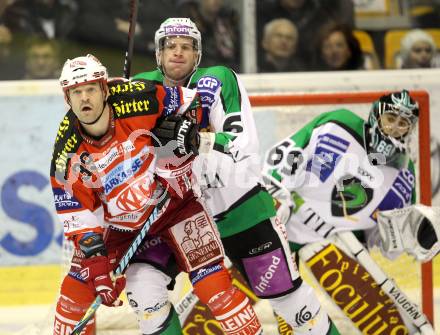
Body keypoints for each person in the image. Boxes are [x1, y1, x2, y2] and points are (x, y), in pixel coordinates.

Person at [134, 17, 340, 335]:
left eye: (186, 47)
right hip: (175, 217)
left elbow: (242, 148)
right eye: (170, 46)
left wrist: (196, 140)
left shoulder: (216, 80)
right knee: (143, 285)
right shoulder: (140, 88)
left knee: (289, 301)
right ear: (158, 53)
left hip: (239, 209)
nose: (178, 52)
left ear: (198, 54)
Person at [50, 54, 264, 335]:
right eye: (76, 92)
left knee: (216, 286)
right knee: (74, 295)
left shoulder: (137, 98)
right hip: (120, 227)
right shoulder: (67, 153)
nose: (84, 98)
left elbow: (190, 102)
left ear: (104, 89)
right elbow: (77, 215)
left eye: (91, 88)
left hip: (177, 204)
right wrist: (97, 264)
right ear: (67, 99)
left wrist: (183, 133)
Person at [263, 90, 438, 334]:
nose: (395, 128)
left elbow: (383, 237)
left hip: (335, 242)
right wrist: (277, 190)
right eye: (390, 118)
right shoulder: (339, 123)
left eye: (403, 123)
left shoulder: (404, 171)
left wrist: (408, 235)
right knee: (238, 301)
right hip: (286, 224)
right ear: (376, 117)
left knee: (379, 321)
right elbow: (289, 152)